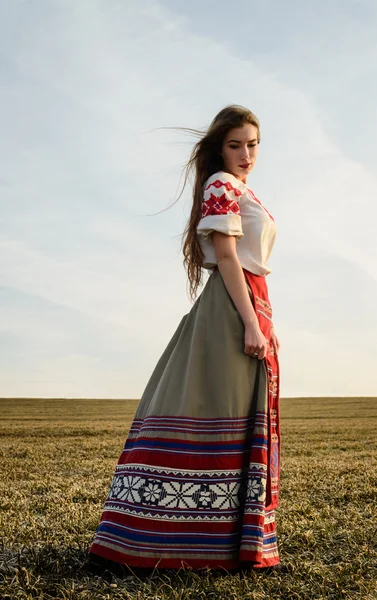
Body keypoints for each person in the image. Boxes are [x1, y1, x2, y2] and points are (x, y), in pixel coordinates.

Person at [88, 104, 283, 574]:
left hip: (250, 301)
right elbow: (228, 257)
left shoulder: (244, 190)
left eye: (252, 143)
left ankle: (235, 547)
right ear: (220, 148)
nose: (246, 152)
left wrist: (260, 317)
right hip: (231, 308)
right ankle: (153, 545)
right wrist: (251, 324)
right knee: (213, 411)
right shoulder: (221, 185)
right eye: (236, 144)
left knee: (235, 417)